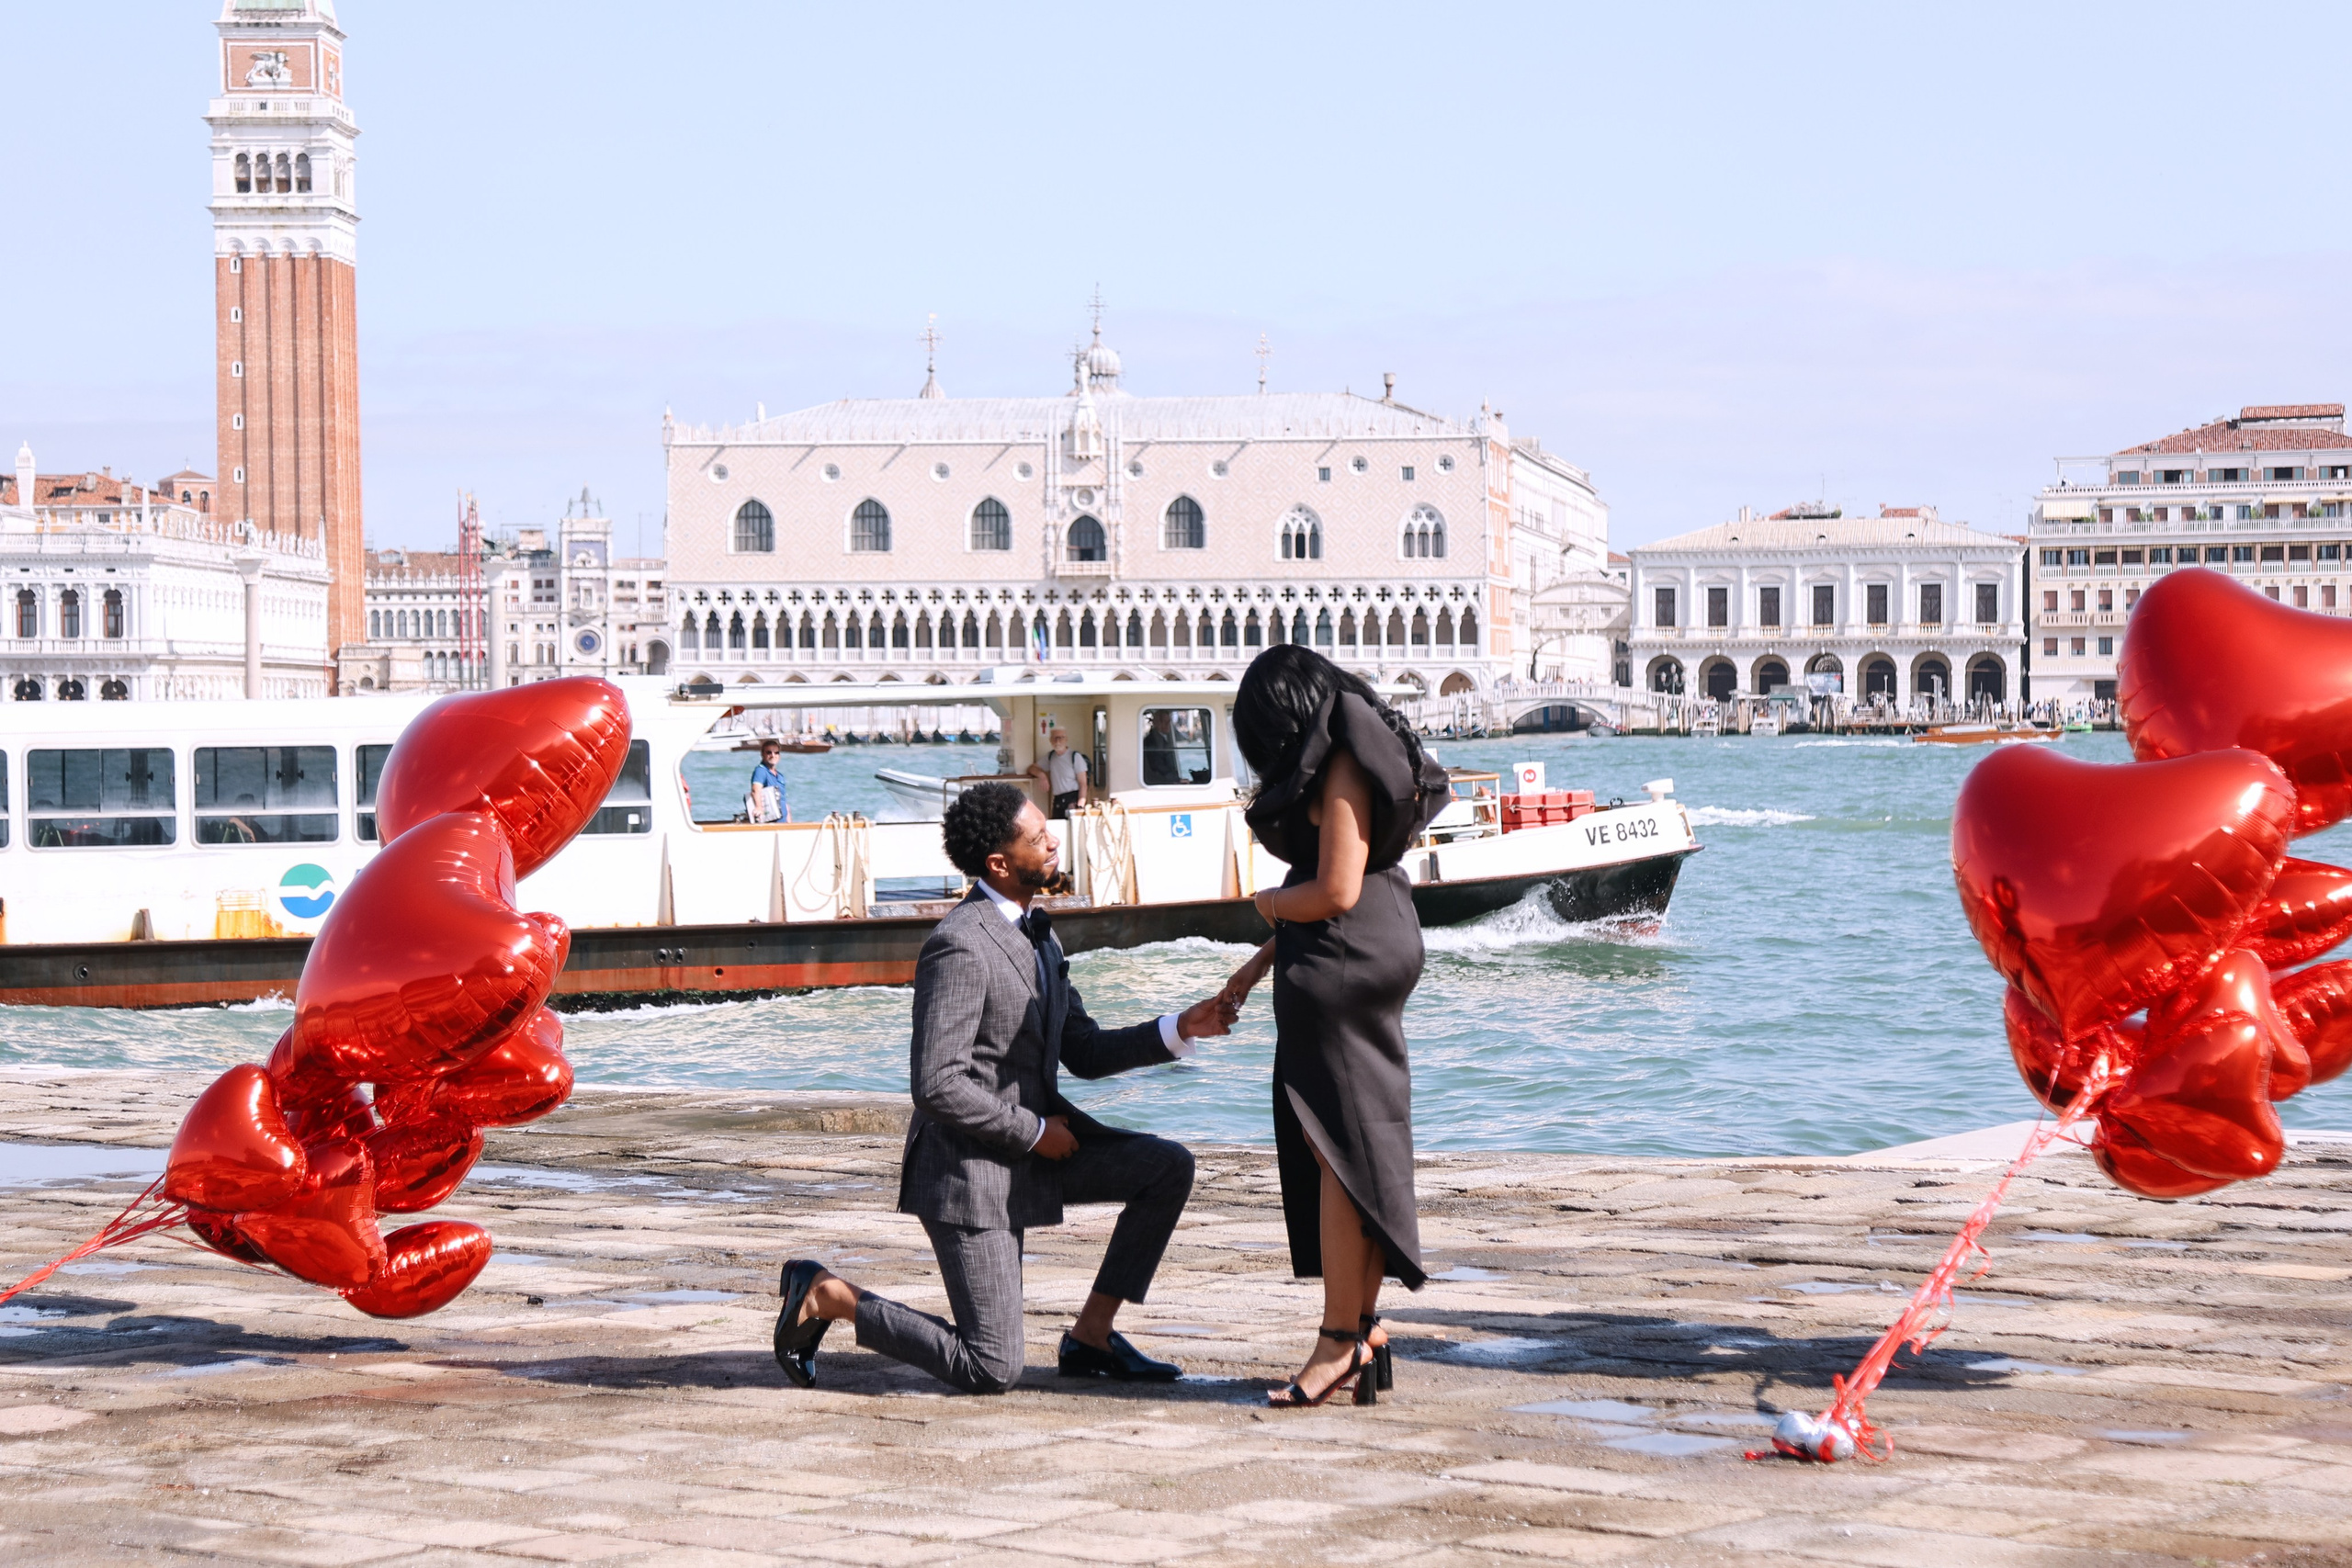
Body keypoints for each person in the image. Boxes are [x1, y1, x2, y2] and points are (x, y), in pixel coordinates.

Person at [773, 782, 1234, 1394]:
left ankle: (1093, 1336)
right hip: (969, 1173)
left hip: (1033, 1156)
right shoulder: (959, 943)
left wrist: (1179, 1028)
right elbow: (937, 1083)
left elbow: (1083, 1049)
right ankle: (827, 1294)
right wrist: (1036, 1131)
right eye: (1038, 838)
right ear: (999, 863)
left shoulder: (1038, 935)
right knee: (991, 1366)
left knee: (1166, 1167)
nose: (1053, 842)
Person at [1219, 645, 1449, 1409]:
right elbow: (1339, 885)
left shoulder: (1343, 762)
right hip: (1366, 946)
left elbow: (1335, 890)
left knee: (1340, 1160)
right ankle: (1362, 1329)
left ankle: (1337, 1342)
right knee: (1357, 1151)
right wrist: (1258, 964)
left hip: (1346, 963)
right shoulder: (1356, 749)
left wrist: (1266, 904)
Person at [1028, 728, 1089, 818]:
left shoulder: (1075, 757)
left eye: (1061, 738)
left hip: (1073, 800)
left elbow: (1083, 784)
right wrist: (1042, 776)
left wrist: (1080, 807)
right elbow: (1031, 768)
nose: (1058, 741)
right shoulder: (1051, 756)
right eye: (1055, 738)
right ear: (1050, 740)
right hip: (1058, 801)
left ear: (1066, 739)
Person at [747, 740, 789, 824]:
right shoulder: (761, 770)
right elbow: (755, 790)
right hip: (771, 821)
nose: (773, 755)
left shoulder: (780, 776)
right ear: (762, 754)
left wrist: (789, 823)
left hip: (783, 821)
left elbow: (784, 800)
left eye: (776, 753)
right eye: (769, 752)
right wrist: (759, 807)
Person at [1142, 710, 1182, 786]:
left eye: (1169, 722)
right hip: (1159, 782)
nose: (1168, 725)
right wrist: (1176, 779)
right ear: (1157, 723)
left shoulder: (1159, 739)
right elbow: (1157, 765)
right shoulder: (1152, 741)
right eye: (1166, 722)